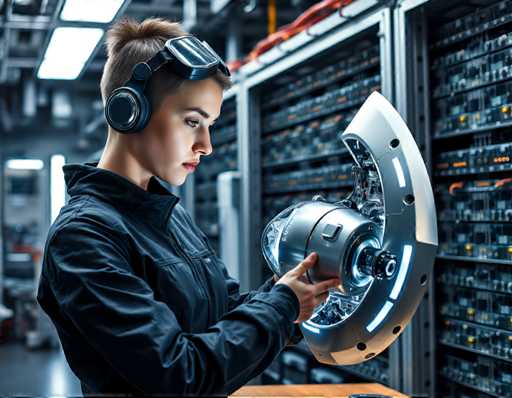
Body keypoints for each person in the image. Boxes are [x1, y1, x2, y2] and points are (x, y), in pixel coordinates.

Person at [37, 18, 340, 396]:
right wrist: (282, 306)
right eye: (193, 121)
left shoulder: (166, 214)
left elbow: (225, 312)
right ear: (130, 111)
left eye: (209, 124)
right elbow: (179, 375)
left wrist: (292, 293)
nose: (206, 145)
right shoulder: (83, 237)